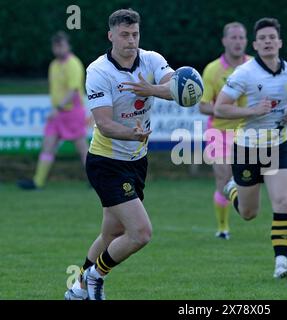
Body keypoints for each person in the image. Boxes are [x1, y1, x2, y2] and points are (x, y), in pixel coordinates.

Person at [64, 8, 175, 300]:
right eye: (124, 35)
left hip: (137, 160)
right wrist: (133, 133)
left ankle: (77, 290)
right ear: (110, 35)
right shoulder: (98, 71)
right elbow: (104, 123)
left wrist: (149, 88)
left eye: (135, 34)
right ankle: (95, 276)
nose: (131, 40)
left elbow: (177, 88)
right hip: (107, 162)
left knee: (111, 235)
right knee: (141, 233)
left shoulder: (152, 60)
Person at [215, 17, 287, 278]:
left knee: (283, 201)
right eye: (262, 38)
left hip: (277, 146)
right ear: (255, 44)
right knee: (249, 213)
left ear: (279, 42)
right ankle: (232, 190)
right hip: (247, 148)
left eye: (271, 38)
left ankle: (281, 264)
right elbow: (220, 107)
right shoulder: (245, 73)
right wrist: (252, 110)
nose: (267, 42)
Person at [199, 22, 251, 240]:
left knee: (246, 181)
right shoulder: (212, 70)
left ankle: (246, 205)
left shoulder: (254, 67)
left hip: (249, 134)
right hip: (218, 133)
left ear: (246, 41)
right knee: (223, 178)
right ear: (224, 41)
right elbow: (202, 106)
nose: (238, 42)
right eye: (233, 37)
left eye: (241, 38)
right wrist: (227, 110)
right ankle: (223, 228)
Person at [17, 31, 88, 190]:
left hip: (72, 112)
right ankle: (38, 182)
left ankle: (95, 180)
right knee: (47, 145)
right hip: (57, 113)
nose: (58, 49)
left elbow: (73, 91)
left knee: (82, 148)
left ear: (68, 46)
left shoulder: (73, 64)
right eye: (55, 46)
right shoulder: (53, 65)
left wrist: (59, 107)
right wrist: (57, 109)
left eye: (61, 45)